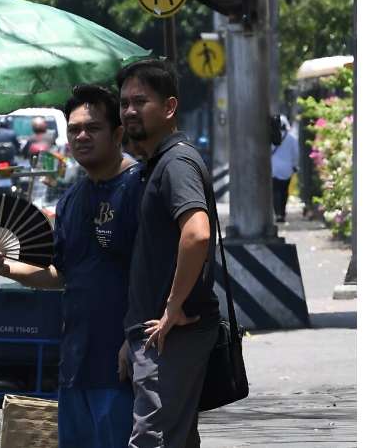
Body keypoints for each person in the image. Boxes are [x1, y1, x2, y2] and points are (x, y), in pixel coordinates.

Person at [0, 85, 143, 448]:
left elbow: (159, 274)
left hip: (124, 366)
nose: (81, 136)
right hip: (75, 366)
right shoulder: (72, 199)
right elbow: (62, 275)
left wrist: (136, 340)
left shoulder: (141, 188)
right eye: (74, 129)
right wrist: (5, 268)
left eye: (93, 128)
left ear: (118, 133)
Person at [117, 58, 220, 448]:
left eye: (140, 101)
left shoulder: (176, 162)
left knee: (152, 439)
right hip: (155, 333)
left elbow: (196, 234)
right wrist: (133, 334)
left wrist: (172, 307)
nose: (129, 110)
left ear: (170, 107)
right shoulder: (157, 163)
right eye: (124, 102)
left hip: (173, 333)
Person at [271, 114, 299, 223]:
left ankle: (277, 213)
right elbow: (296, 153)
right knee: (284, 191)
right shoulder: (292, 138)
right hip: (287, 169)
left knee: (275, 191)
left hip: (273, 168)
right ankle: (282, 212)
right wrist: (294, 165)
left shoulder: (271, 137)